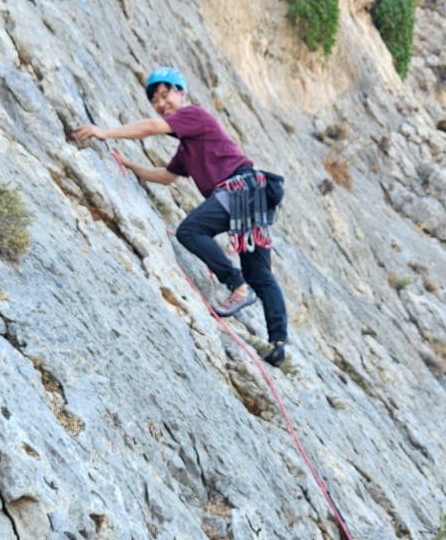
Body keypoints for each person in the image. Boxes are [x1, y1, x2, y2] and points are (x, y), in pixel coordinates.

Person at [72, 68, 288, 365]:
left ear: (181, 93)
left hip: (238, 189)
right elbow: (165, 176)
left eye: (165, 95)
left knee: (190, 231)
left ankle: (237, 284)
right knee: (260, 273)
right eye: (155, 100)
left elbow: (150, 127)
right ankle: (278, 344)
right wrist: (130, 165)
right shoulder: (189, 147)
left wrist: (104, 132)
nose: (162, 104)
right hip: (251, 196)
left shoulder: (194, 116)